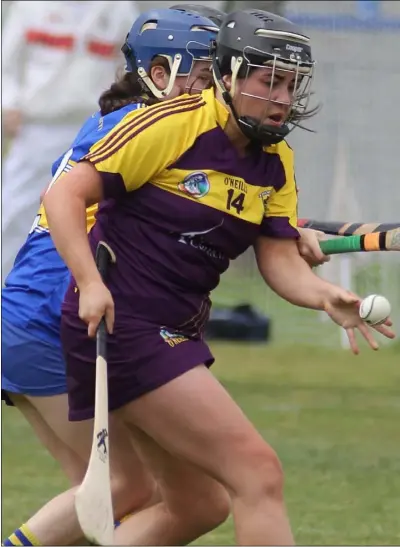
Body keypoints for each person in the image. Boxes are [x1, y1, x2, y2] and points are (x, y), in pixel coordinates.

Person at [44, 8, 395, 546]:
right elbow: (64, 195)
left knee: (197, 505)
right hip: (125, 324)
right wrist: (89, 282)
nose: (281, 97)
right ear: (228, 76)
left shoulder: (275, 160)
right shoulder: (171, 124)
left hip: (175, 328)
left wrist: (324, 295)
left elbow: (278, 258)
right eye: (268, 80)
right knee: (258, 473)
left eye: (290, 84)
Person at [2, 8, 228, 547]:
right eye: (201, 77)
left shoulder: (121, 119)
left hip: (27, 321)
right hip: (47, 321)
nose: (212, 91)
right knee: (131, 488)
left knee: (116, 496)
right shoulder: (151, 134)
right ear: (156, 73)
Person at [1, 0, 140, 282]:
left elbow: (129, 69)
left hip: (94, 128)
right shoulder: (30, 7)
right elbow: (8, 62)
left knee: (85, 214)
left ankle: (67, 289)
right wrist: (9, 103)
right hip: (38, 126)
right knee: (15, 211)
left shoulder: (120, 10)